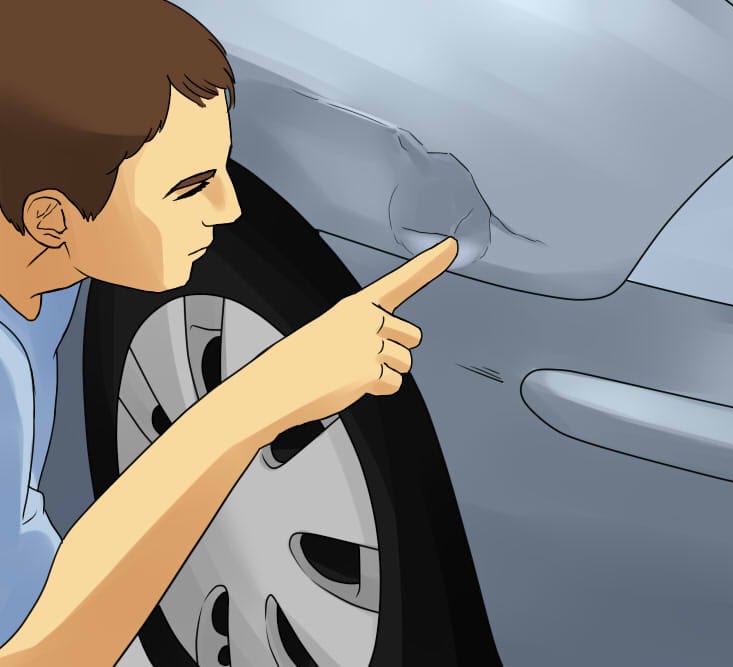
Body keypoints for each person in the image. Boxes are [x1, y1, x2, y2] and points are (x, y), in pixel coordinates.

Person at [0, 1, 458, 664]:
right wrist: (260, 399)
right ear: (50, 217)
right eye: (190, 187)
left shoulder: (48, 263)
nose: (229, 207)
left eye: (221, 170)